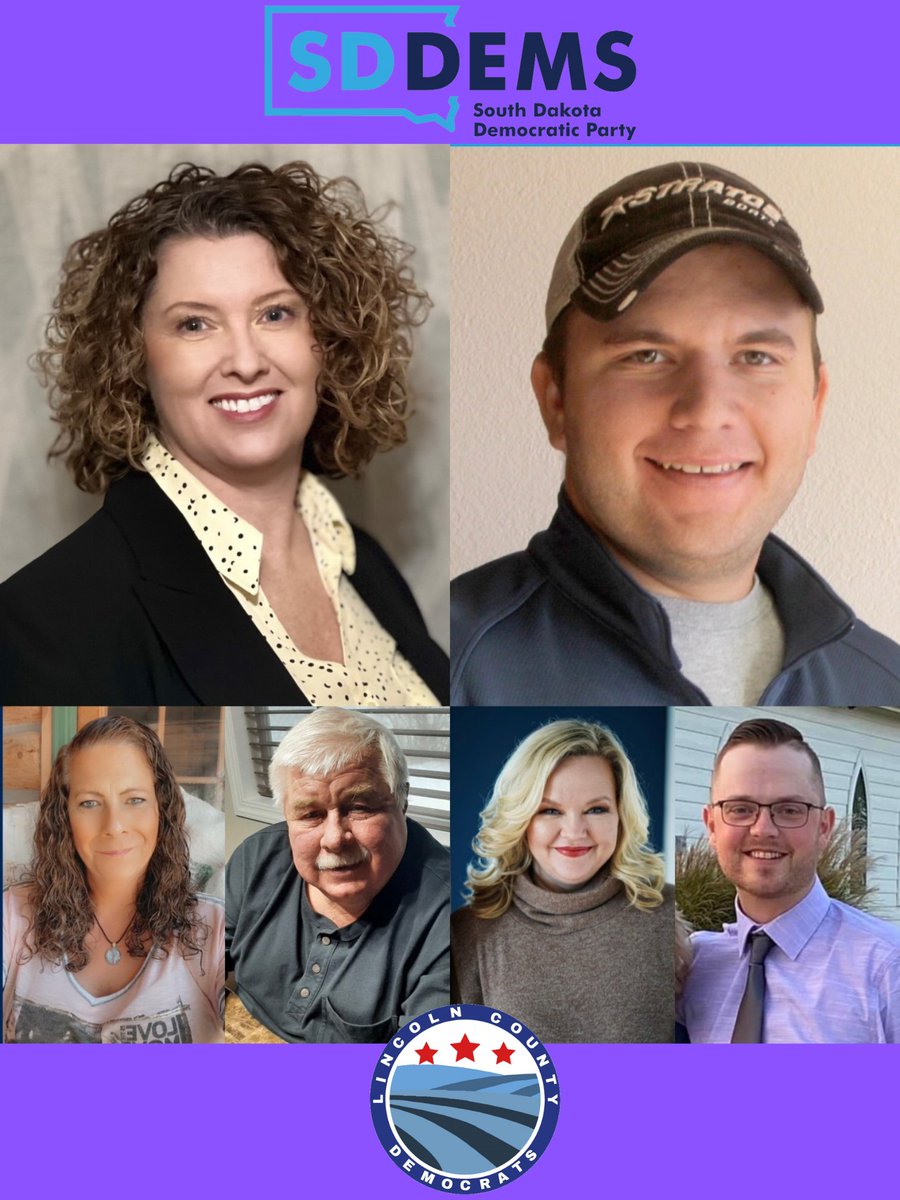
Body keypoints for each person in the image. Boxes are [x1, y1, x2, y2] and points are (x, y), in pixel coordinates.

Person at [451, 161, 900, 705]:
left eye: (756, 356)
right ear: (557, 401)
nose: (707, 409)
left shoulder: (885, 688)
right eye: (647, 355)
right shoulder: (436, 664)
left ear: (815, 406)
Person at [0, 160, 448, 704]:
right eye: (195, 324)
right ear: (134, 359)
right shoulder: (46, 619)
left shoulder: (363, 561)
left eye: (275, 314)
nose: (245, 360)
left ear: (328, 337)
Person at [225, 708, 450, 1043]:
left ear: (402, 802)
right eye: (310, 814)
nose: (334, 838)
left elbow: (419, 1072)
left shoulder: (452, 917)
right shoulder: (253, 859)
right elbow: (196, 966)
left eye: (359, 807)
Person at [2, 716, 224, 1043]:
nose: (114, 824)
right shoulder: (13, 916)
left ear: (160, 810)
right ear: (65, 818)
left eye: (134, 800)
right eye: (89, 803)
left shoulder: (214, 928)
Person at [451, 719, 673, 1042]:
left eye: (596, 809)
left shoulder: (670, 920)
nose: (574, 831)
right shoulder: (468, 934)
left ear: (621, 816)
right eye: (550, 811)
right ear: (522, 818)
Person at [681, 718, 900, 1043]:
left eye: (790, 810)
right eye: (740, 809)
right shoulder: (691, 967)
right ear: (711, 826)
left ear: (824, 827)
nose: (763, 829)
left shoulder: (886, 967)